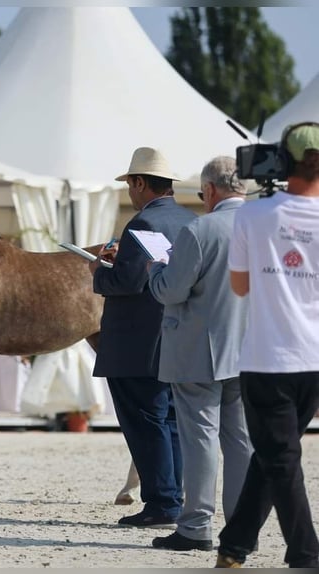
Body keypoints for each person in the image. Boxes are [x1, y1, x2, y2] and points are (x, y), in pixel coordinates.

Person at [214, 123, 319, 569]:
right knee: (276, 454)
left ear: (281, 160)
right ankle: (234, 546)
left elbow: (240, 287)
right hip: (313, 358)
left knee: (280, 457)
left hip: (267, 357)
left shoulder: (253, 216)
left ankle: (306, 552)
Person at [146, 156, 253, 552]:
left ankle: (196, 526)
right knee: (241, 441)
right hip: (252, 349)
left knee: (200, 439)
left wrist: (156, 269)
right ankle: (242, 526)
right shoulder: (267, 226)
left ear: (209, 191)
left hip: (199, 350)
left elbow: (171, 291)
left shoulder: (201, 229)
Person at [88, 147, 196, 528]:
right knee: (171, 421)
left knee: (145, 421)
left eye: (131, 184)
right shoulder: (189, 220)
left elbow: (127, 281)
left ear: (139, 182)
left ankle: (162, 502)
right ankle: (175, 498)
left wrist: (98, 268)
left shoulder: (141, 225)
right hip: (178, 338)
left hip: (137, 344)